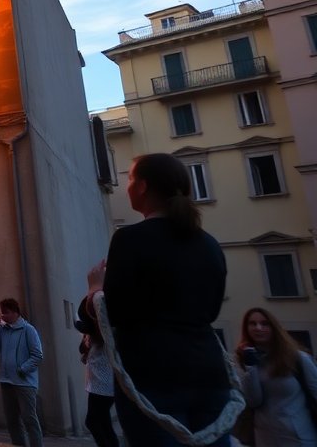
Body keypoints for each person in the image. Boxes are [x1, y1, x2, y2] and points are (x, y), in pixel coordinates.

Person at [85, 153, 234, 447]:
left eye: (130, 178)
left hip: (152, 376)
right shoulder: (209, 244)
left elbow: (115, 313)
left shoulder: (129, 239)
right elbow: (212, 310)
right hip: (209, 373)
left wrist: (95, 289)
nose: (126, 186)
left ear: (142, 186)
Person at [235, 307, 317, 447]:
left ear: (274, 328)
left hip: (299, 438)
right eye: (252, 323)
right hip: (265, 438)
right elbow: (254, 401)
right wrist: (250, 367)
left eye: (264, 323)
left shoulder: (298, 358)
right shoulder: (245, 360)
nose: (258, 328)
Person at [0, 297, 43, 446]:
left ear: (15, 312)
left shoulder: (28, 330)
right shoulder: (3, 330)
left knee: (29, 419)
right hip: (6, 381)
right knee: (12, 420)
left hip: (24, 383)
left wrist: (23, 369)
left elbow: (37, 355)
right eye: (2, 312)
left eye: (6, 312)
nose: (3, 316)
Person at [74, 307, 117, 447]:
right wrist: (86, 337)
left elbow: (81, 325)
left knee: (93, 421)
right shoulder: (92, 334)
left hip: (104, 384)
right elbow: (82, 348)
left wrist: (88, 330)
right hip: (98, 384)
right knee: (102, 422)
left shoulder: (105, 332)